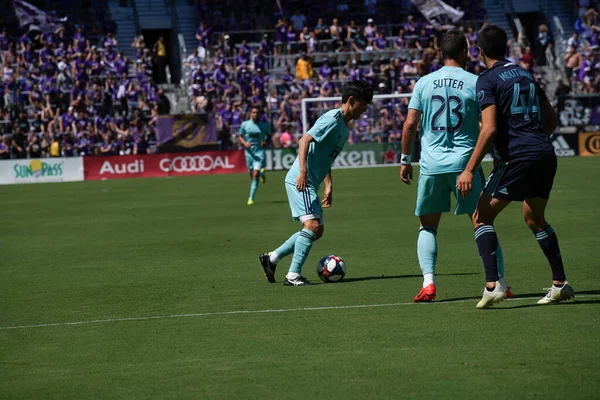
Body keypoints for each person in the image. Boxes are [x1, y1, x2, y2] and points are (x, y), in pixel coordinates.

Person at [456, 25, 574, 309]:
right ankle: (560, 283)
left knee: (480, 217)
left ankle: (493, 285)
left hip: (518, 157)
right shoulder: (525, 73)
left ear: (480, 51)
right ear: (507, 47)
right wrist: (535, 142)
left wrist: (469, 168)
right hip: (545, 152)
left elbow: (490, 128)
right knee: (534, 219)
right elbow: (552, 119)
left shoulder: (487, 79)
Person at [400, 30, 510, 302]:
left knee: (427, 226)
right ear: (464, 53)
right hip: (465, 165)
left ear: (441, 52)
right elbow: (489, 126)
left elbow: (410, 124)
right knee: (482, 221)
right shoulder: (476, 82)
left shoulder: (424, 82)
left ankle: (428, 284)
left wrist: (405, 160)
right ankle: (501, 284)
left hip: (431, 165)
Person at [258, 80, 373, 286]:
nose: (364, 110)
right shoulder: (332, 119)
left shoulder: (344, 128)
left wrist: (328, 184)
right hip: (302, 180)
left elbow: (325, 156)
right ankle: (293, 275)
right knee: (311, 225)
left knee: (316, 230)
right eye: (363, 105)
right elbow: (304, 140)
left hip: (311, 181)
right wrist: (302, 172)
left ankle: (272, 258)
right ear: (351, 100)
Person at [238, 106, 271, 205]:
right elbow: (240, 135)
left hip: (259, 152)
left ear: (260, 114)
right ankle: (262, 173)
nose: (255, 114)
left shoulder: (264, 125)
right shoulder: (245, 124)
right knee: (252, 176)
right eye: (253, 112)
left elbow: (269, 135)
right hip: (249, 153)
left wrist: (266, 142)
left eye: (257, 112)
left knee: (255, 175)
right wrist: (245, 144)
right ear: (250, 113)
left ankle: (250, 198)